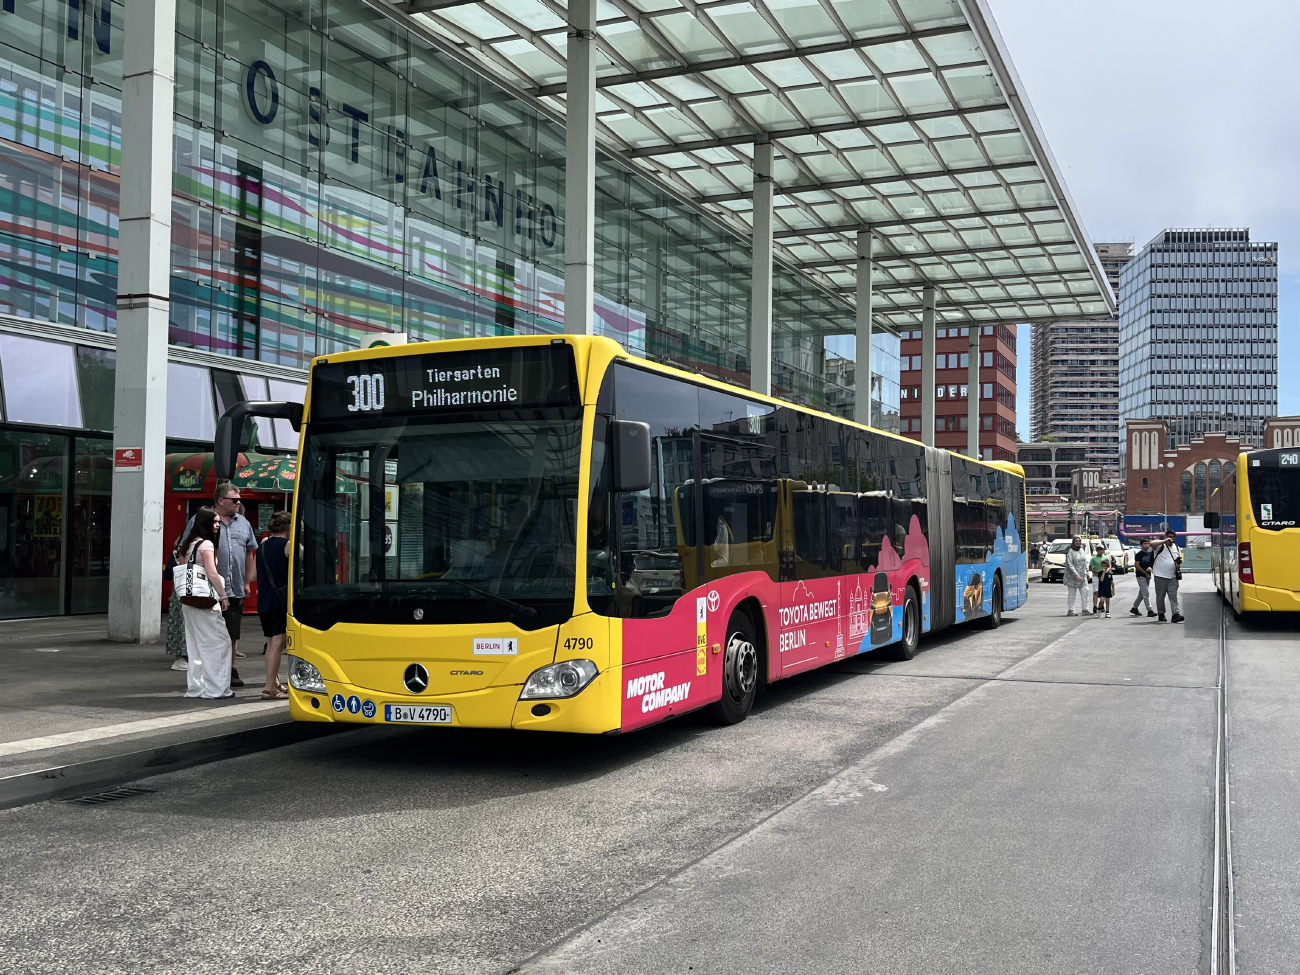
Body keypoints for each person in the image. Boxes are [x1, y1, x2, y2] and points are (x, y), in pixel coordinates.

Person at [181, 483, 258, 686]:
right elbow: (184, 549)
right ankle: (209, 672)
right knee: (208, 634)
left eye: (239, 499)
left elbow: (249, 552)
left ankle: (230, 670)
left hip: (234, 588)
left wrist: (247, 581)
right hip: (206, 589)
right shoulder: (201, 520)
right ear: (221, 500)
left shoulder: (243, 523)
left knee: (232, 633)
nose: (238, 502)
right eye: (235, 499)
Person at [175, 506, 233, 699]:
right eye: (214, 522)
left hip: (188, 600)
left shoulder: (187, 544)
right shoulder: (206, 544)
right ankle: (217, 688)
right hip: (206, 599)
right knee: (218, 642)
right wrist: (223, 596)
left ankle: (197, 687)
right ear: (205, 523)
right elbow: (212, 573)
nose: (218, 525)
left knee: (195, 644)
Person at [255, 510, 292, 700]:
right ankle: (269, 688)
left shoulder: (262, 546)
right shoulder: (288, 545)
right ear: (289, 527)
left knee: (271, 643)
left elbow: (253, 575)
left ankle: (275, 682)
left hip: (264, 600)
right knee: (278, 643)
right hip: (280, 601)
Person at [1152, 529, 1184, 623]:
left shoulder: (1177, 547)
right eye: (1170, 537)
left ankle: (1176, 614)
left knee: (1173, 597)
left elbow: (1179, 560)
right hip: (1160, 575)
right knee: (1160, 596)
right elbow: (1152, 544)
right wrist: (1165, 540)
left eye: (1173, 537)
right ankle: (1161, 613)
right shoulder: (1160, 546)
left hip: (1172, 577)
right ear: (1165, 537)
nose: (1171, 539)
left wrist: (1179, 561)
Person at [1130, 537, 1157, 618]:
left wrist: (1150, 569)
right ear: (1141, 545)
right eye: (1145, 544)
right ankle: (1149, 610)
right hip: (1141, 576)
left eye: (1148, 544)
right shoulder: (1139, 555)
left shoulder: (1150, 554)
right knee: (1145, 593)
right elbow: (1137, 566)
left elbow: (1152, 564)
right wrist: (1145, 573)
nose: (1147, 545)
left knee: (1142, 593)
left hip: (1147, 576)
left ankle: (1134, 608)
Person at [1063, 535, 1090, 616]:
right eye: (1076, 541)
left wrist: (1087, 573)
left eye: (1079, 541)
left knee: (1085, 591)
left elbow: (1085, 562)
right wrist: (1076, 574)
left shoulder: (1081, 550)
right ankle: (1071, 610)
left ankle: (1085, 609)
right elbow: (1069, 564)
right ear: (1073, 542)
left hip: (1082, 575)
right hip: (1072, 576)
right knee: (1072, 594)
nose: (1078, 543)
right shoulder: (1070, 551)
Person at [1088, 542, 1106, 614]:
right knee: (1096, 592)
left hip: (1103, 576)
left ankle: (1101, 605)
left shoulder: (1105, 558)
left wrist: (1105, 571)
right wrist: (1097, 571)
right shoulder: (1093, 559)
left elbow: (1109, 566)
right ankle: (1095, 606)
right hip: (1096, 576)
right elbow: (1090, 568)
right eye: (1098, 549)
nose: (1099, 550)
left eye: (1101, 549)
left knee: (1103, 592)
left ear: (1103, 550)